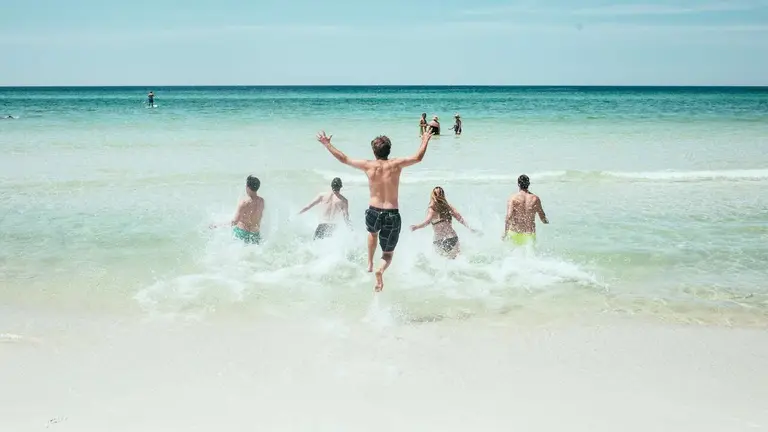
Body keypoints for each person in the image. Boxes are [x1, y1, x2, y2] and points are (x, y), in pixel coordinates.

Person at [315, 130, 433, 292]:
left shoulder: (368, 165)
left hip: (373, 211)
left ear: (374, 151)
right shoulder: (396, 164)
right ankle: (380, 269)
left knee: (372, 233)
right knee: (388, 254)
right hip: (392, 213)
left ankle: (370, 263)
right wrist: (425, 139)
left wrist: (327, 144)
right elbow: (418, 157)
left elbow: (344, 159)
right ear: (389, 150)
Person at [410, 186, 477, 259]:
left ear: (432, 196)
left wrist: (417, 227)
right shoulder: (447, 206)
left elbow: (427, 221)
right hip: (451, 238)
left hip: (439, 242)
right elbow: (459, 218)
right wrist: (469, 227)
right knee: (457, 261)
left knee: (442, 266)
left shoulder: (432, 208)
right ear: (443, 195)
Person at [503, 174, 548, 245]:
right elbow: (542, 217)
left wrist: (505, 233)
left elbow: (509, 216)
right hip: (529, 234)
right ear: (529, 184)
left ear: (518, 184)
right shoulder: (535, 199)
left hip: (515, 233)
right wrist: (546, 222)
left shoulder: (513, 198)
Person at [223, 175, 265, 244]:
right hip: (255, 234)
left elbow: (234, 222)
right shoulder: (261, 201)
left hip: (242, 233)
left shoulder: (244, 203)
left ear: (247, 187)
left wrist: (219, 225)